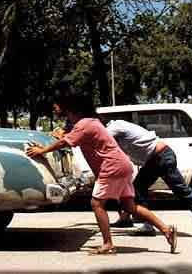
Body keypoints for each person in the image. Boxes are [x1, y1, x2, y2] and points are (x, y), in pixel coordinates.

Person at [26, 92, 177, 254]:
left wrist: (42, 150)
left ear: (70, 107)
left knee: (97, 203)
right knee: (130, 206)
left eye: (57, 103)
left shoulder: (84, 124)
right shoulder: (89, 122)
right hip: (122, 165)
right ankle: (166, 230)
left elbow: (65, 142)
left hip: (111, 166)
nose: (54, 107)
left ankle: (108, 244)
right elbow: (69, 137)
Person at [105, 119, 192, 238]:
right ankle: (136, 222)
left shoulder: (115, 126)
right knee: (137, 188)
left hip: (161, 157)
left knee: (182, 191)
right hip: (155, 159)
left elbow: (102, 137)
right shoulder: (120, 131)